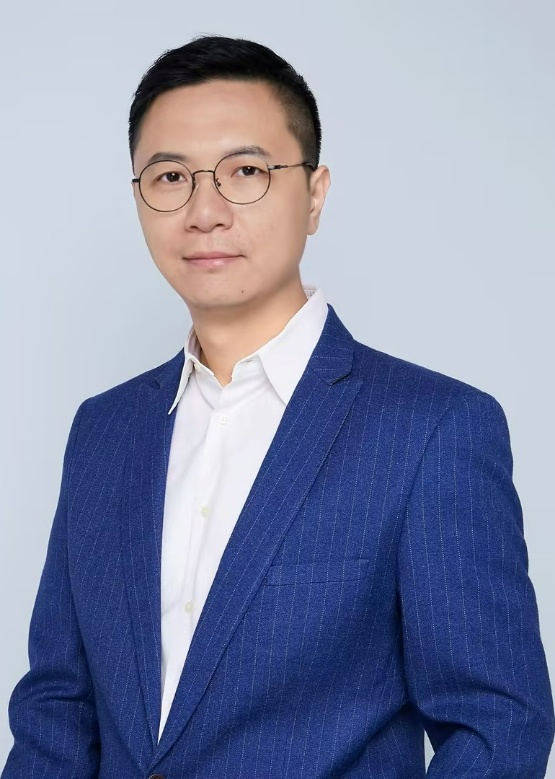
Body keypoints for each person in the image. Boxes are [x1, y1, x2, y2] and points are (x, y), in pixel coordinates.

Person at [2, 35, 554, 779]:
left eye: (245, 172)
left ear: (315, 194)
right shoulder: (104, 431)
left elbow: (497, 727)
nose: (204, 211)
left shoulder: (431, 430)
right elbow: (56, 714)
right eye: (170, 176)